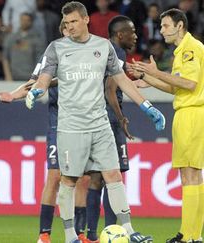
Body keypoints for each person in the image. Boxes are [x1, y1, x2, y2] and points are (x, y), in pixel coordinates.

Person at [26, 2, 165, 242]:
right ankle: (70, 235)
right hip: (71, 126)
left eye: (73, 21)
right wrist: (35, 91)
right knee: (69, 180)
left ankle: (130, 231)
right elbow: (44, 78)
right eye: (66, 23)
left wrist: (147, 106)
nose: (69, 27)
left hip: (100, 125)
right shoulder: (56, 48)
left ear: (86, 19)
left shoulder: (104, 47)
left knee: (113, 176)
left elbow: (121, 79)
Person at [0, 21, 91, 243]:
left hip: (86, 122)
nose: (71, 31)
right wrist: (14, 94)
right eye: (67, 28)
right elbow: (36, 81)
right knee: (55, 176)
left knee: (84, 179)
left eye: (74, 25)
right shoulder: (53, 52)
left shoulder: (90, 52)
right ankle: (44, 234)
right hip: (60, 121)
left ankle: (79, 234)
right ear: (63, 32)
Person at [130, 8, 204, 243]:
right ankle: (192, 233)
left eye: (165, 26)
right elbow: (176, 87)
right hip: (188, 112)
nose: (161, 31)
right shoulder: (183, 50)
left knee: (190, 174)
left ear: (180, 25)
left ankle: (190, 236)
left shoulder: (190, 49)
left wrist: (156, 72)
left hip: (192, 113)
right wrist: (147, 78)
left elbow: (189, 84)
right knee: (191, 175)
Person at [85, 15, 137, 242]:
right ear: (120, 34)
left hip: (93, 118)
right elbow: (110, 89)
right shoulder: (118, 52)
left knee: (96, 178)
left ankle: (92, 234)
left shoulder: (99, 49)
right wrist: (121, 117)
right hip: (109, 120)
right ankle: (112, 232)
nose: (135, 36)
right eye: (131, 31)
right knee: (113, 178)